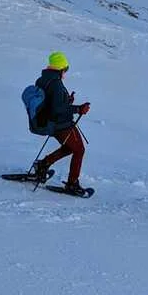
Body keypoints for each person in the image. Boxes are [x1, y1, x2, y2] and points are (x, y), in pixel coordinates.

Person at [32, 52, 91, 193]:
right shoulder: (57, 85)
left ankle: (42, 165)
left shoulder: (42, 80)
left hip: (47, 122)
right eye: (66, 69)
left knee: (71, 147)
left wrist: (66, 101)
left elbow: (51, 103)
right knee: (79, 149)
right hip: (60, 124)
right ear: (60, 68)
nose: (66, 72)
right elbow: (58, 110)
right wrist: (78, 109)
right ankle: (72, 184)